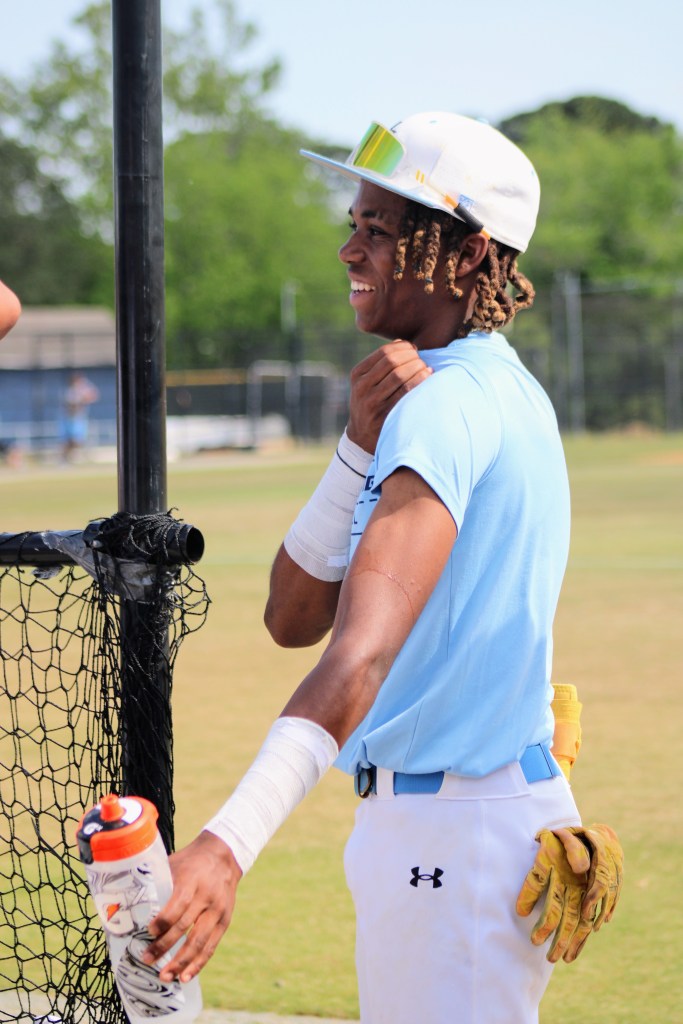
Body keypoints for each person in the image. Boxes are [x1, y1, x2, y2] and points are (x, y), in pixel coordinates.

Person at [145, 113, 623, 1023]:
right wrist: (355, 448)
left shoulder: (445, 406)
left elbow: (356, 654)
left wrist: (226, 845)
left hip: (453, 830)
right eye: (353, 223)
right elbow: (290, 618)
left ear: (469, 252)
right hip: (452, 821)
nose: (349, 249)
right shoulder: (479, 387)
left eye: (380, 228)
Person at [61, 371, 100, 460]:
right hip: (71, 418)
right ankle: (65, 458)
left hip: (77, 418)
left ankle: (70, 457)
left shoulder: (81, 389)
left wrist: (84, 398)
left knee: (77, 440)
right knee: (69, 440)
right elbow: (70, 405)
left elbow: (94, 395)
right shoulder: (70, 392)